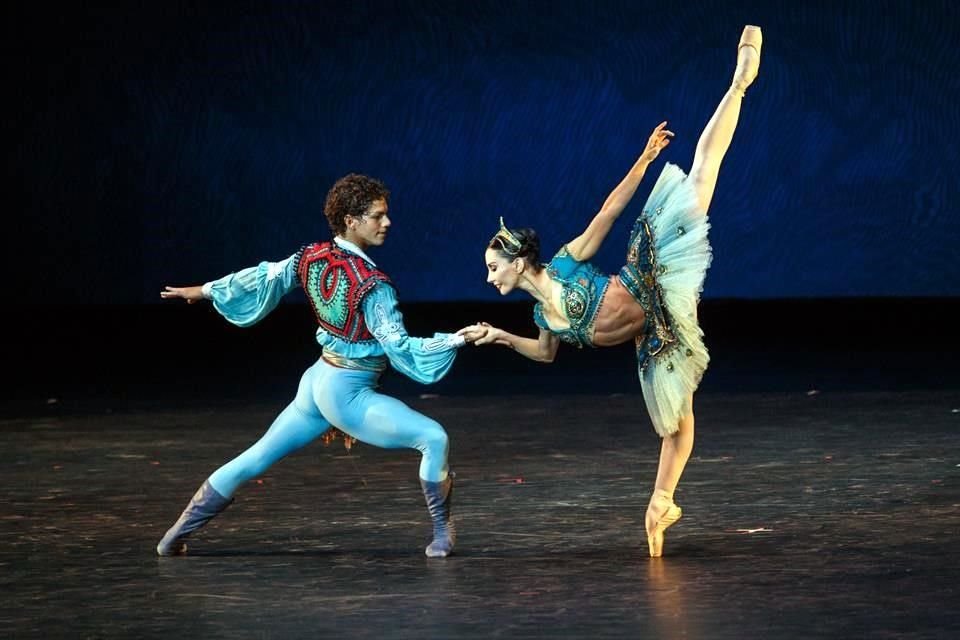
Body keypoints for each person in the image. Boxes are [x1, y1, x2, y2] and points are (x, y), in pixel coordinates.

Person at [470, 26, 762, 557]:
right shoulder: (543, 321)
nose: (491, 278)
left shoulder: (563, 261)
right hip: (652, 333)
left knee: (700, 176)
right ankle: (660, 505)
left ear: (517, 260)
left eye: (494, 267)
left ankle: (739, 83)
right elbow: (543, 355)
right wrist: (497, 336)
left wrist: (645, 158)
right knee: (677, 425)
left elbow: (608, 211)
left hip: (648, 274)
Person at [157, 173, 484, 558]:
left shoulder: (310, 256)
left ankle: (175, 534)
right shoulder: (373, 284)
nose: (387, 223)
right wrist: (458, 339)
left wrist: (205, 290)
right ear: (351, 220)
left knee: (256, 457)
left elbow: (267, 276)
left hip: (315, 382)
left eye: (386, 214)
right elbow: (397, 346)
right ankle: (443, 532)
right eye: (378, 216)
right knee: (434, 438)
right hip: (346, 392)